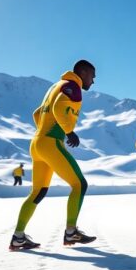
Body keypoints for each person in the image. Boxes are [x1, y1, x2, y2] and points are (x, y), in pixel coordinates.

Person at [9, 60, 97, 251]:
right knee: (79, 184)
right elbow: (58, 108)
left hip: (37, 144)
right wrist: (68, 131)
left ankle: (18, 237)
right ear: (82, 72)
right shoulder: (73, 86)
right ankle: (71, 231)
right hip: (50, 143)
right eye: (92, 75)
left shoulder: (56, 86)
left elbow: (37, 113)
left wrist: (43, 131)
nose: (94, 80)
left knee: (38, 192)